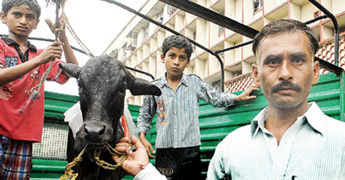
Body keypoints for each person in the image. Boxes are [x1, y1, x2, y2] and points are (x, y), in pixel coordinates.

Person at [207, 19, 345, 179]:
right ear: (256, 75)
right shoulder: (229, 149)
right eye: (273, 62)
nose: (285, 73)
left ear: (315, 72)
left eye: (298, 60)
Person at [136, 34, 259, 179]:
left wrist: (237, 97)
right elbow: (145, 115)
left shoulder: (194, 83)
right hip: (165, 151)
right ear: (163, 58)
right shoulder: (154, 87)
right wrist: (142, 136)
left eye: (182, 58)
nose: (176, 62)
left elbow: (216, 98)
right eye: (172, 56)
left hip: (190, 151)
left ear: (187, 62)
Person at [0, 0, 78, 178]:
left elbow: (74, 70)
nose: (23, 21)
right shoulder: (3, 47)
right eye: (17, 14)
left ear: (36, 24)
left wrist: (63, 38)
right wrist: (38, 61)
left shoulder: (40, 55)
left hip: (23, 135)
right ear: (4, 17)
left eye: (30, 17)